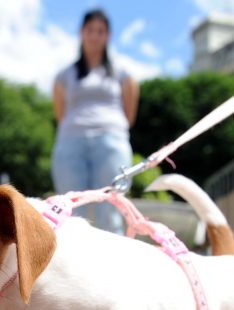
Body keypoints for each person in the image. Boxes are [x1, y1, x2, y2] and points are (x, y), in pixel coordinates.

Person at [51, 9, 139, 234]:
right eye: (90, 30)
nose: (94, 36)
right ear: (82, 33)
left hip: (111, 140)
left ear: (107, 36)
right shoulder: (64, 76)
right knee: (70, 211)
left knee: (111, 209)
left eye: (100, 31)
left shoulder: (122, 73)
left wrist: (111, 127)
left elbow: (130, 110)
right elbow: (60, 112)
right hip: (71, 142)